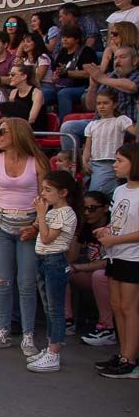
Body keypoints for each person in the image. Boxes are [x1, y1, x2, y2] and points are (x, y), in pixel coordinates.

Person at [0, 117, 48, 357]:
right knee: (2, 281)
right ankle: (3, 330)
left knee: (26, 283)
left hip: (28, 223)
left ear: (17, 134)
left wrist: (38, 226)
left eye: (3, 132)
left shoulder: (36, 161)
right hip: (1, 223)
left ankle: (28, 334)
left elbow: (45, 197)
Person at [27, 170, 80, 373]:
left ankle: (54, 352)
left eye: (48, 190)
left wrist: (41, 213)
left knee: (56, 309)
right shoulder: (52, 211)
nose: (44, 194)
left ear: (63, 192)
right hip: (43, 259)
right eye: (43, 189)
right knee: (49, 306)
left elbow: (48, 238)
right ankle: (50, 346)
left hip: (55, 261)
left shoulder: (66, 213)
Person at [94, 144, 139, 379]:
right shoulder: (120, 190)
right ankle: (123, 352)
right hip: (115, 254)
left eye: (120, 160)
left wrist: (116, 238)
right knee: (117, 306)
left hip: (133, 257)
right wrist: (107, 229)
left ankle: (130, 358)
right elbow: (118, 220)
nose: (115, 165)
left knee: (130, 308)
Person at [71, 191, 115, 347]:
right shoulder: (85, 227)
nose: (87, 212)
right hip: (93, 275)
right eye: (83, 208)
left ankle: (106, 328)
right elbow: (71, 258)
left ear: (104, 208)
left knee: (99, 275)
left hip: (113, 275)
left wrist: (80, 267)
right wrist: (76, 230)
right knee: (61, 272)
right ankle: (67, 320)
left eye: (91, 208)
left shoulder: (112, 226)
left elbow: (108, 262)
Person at [83, 89, 132, 196]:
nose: (101, 106)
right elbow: (87, 147)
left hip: (110, 161)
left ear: (114, 105)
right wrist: (84, 161)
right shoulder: (92, 124)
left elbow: (134, 131)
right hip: (94, 163)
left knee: (95, 193)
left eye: (105, 103)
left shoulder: (120, 120)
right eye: (98, 103)